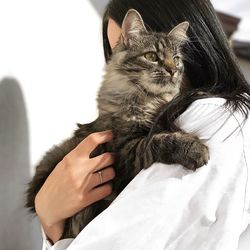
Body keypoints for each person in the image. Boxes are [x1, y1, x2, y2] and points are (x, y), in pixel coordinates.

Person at [35, 0, 250, 249]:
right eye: (118, 48)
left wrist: (50, 218)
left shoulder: (216, 116)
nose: (170, 68)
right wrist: (51, 222)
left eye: (175, 58)